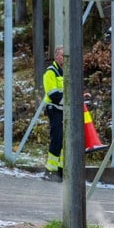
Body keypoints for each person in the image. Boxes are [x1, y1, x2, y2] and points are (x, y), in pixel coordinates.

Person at [42, 45, 65, 176]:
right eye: (63, 55)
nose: (65, 58)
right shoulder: (51, 72)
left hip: (64, 110)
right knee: (57, 138)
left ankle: (61, 169)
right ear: (56, 56)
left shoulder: (67, 71)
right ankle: (50, 170)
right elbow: (53, 94)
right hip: (55, 109)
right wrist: (69, 103)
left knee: (64, 140)